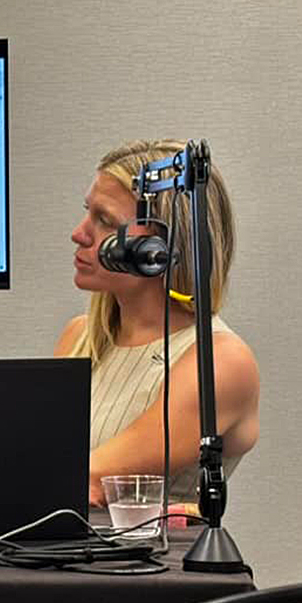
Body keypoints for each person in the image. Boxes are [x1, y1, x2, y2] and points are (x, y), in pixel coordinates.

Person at [53, 140, 259, 506]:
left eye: (104, 220)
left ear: (161, 250)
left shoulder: (220, 361)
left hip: (154, 562)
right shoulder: (80, 337)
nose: (79, 233)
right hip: (57, 557)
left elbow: (88, 479)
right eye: (88, 212)